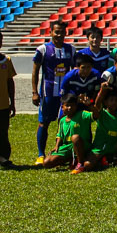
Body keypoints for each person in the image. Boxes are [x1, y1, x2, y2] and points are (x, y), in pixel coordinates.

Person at [31, 20, 76, 165]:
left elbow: (74, 71)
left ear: (66, 33)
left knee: (63, 124)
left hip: (64, 96)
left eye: (62, 32)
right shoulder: (43, 49)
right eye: (56, 32)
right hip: (48, 93)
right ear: (50, 32)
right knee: (44, 123)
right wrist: (34, 92)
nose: (59, 35)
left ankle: (60, 152)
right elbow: (35, 71)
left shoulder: (71, 49)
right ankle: (40, 154)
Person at [41, 94, 93, 174]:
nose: (70, 108)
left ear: (76, 106)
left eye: (72, 105)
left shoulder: (82, 115)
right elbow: (60, 135)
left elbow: (96, 115)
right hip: (67, 147)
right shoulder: (62, 120)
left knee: (75, 137)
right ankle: (71, 160)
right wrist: (57, 146)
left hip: (82, 146)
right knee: (47, 162)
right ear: (62, 107)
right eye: (67, 106)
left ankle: (80, 164)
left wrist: (89, 105)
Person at [0, 31, 17, 168]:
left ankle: (4, 158)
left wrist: (13, 102)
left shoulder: (6, 60)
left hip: (3, 104)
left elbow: (10, 82)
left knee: (3, 133)